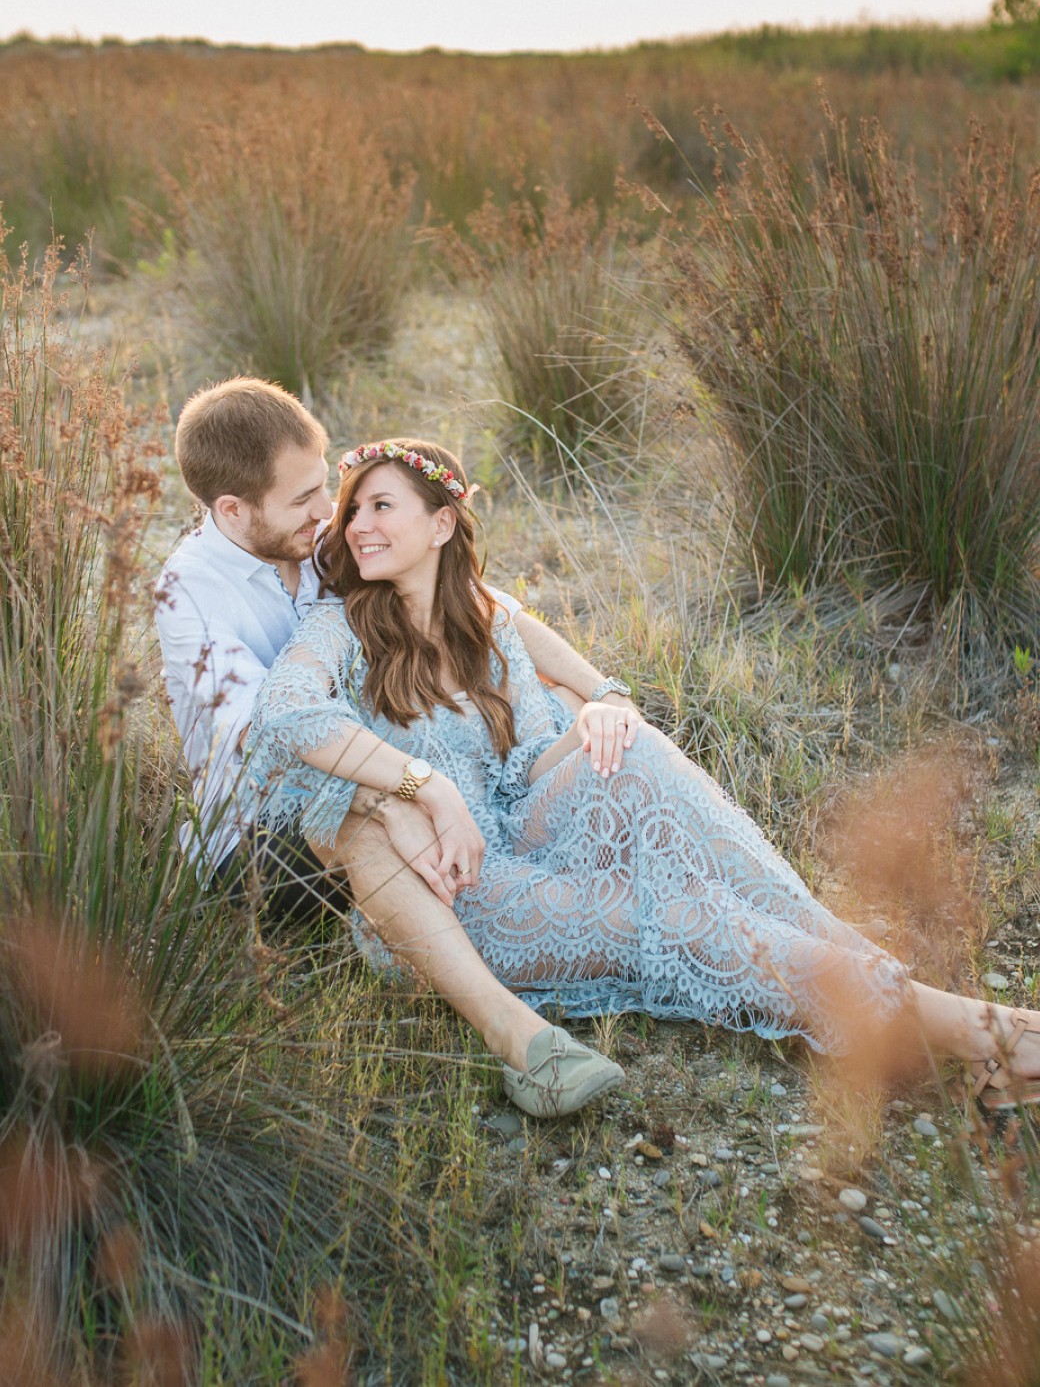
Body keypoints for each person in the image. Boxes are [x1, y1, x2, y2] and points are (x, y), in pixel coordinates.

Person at [246, 437, 1040, 1120]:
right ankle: (976, 1030)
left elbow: (605, 690)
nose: (356, 526)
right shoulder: (340, 629)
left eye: (380, 506)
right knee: (691, 920)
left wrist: (606, 709)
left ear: (442, 524)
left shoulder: (489, 617)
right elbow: (284, 714)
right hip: (466, 893)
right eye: (352, 512)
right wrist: (425, 784)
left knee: (642, 752)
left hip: (534, 831)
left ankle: (946, 1022)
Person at [154, 379, 636, 924]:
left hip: (380, 767)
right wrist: (395, 797)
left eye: (322, 485)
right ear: (233, 510)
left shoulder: (317, 532)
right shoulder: (189, 595)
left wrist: (605, 692)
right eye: (301, 499)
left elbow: (483, 607)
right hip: (263, 834)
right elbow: (270, 741)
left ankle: (577, 889)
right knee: (396, 823)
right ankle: (556, 942)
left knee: (573, 706)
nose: (327, 511)